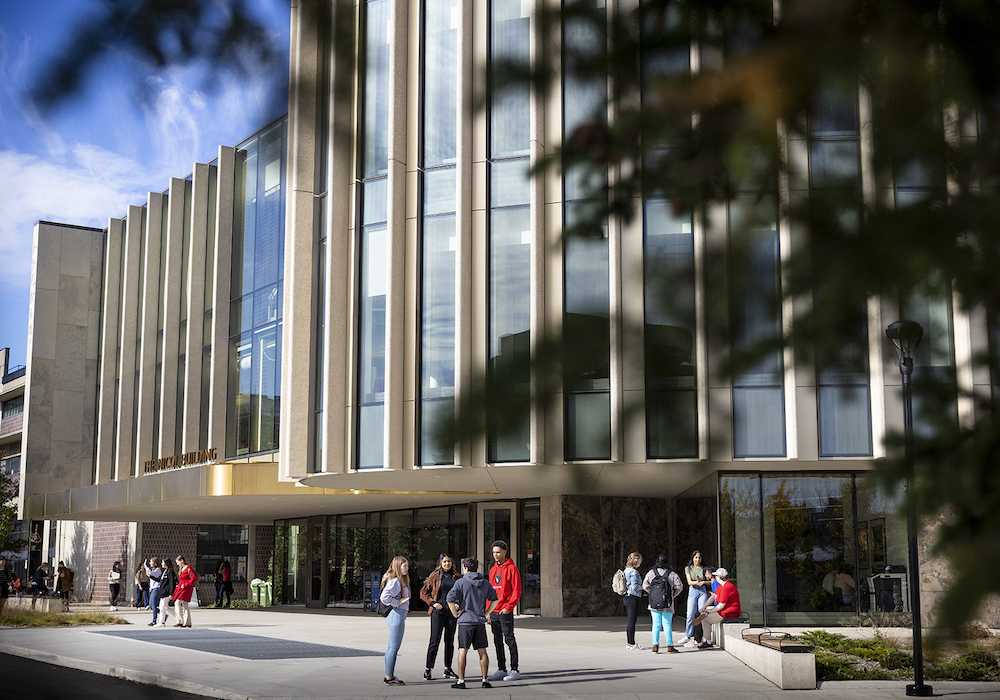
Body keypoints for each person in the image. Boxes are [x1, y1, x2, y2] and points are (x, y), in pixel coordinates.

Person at [447, 557, 499, 690]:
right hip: (479, 621)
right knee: (482, 651)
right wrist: (486, 613)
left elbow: (450, 598)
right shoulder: (485, 582)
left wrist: (455, 614)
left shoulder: (461, 582)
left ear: (466, 568)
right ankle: (485, 680)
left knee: (462, 651)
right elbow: (495, 599)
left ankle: (461, 681)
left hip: (465, 621)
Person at [419, 553, 462, 680]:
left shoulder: (457, 577)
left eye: (449, 561)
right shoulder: (434, 576)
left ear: (452, 563)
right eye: (444, 562)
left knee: (449, 641)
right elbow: (423, 592)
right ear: (440, 563)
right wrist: (432, 603)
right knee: (434, 640)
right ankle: (428, 669)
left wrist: (458, 604)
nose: (447, 564)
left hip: (451, 612)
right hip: (438, 611)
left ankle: (447, 669)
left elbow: (462, 593)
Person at [486, 540, 521, 682]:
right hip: (494, 612)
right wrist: (487, 611)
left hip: (505, 611)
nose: (495, 555)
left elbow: (516, 591)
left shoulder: (512, 569)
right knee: (497, 641)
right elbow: (489, 592)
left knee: (509, 639)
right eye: (494, 552)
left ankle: (514, 669)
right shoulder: (492, 570)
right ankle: (501, 669)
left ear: (505, 552)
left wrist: (509, 607)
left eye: (498, 552)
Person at [641, 554, 683, 653]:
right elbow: (680, 587)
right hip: (667, 604)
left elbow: (644, 585)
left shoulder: (651, 573)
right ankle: (670, 646)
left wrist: (652, 594)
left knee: (656, 624)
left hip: (654, 603)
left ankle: (655, 646)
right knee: (667, 624)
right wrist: (672, 596)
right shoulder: (672, 574)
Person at [380, 555, 411, 686]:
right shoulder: (396, 581)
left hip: (398, 615)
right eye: (404, 566)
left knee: (392, 647)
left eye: (407, 566)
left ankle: (389, 675)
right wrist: (397, 602)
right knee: (393, 647)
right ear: (398, 566)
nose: (407, 568)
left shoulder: (400, 580)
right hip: (396, 615)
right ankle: (389, 677)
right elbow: (384, 597)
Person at [677, 550, 711, 648]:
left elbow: (710, 581)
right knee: (690, 614)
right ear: (692, 558)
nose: (698, 559)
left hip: (702, 591)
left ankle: (700, 637)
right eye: (696, 557)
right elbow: (689, 582)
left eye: (699, 558)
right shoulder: (688, 568)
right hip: (693, 590)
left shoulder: (704, 569)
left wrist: (703, 582)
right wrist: (697, 582)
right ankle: (688, 635)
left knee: (701, 613)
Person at [692, 567, 742, 631]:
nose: (715, 577)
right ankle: (703, 614)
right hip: (724, 610)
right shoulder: (722, 585)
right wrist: (704, 607)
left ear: (719, 577)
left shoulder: (726, 587)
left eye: (716, 576)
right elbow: (713, 597)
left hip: (728, 612)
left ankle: (708, 640)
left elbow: (721, 606)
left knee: (705, 620)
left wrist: (710, 611)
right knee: (704, 611)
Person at [623, 551, 644, 650]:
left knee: (630, 621)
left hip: (627, 597)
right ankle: (631, 642)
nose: (640, 562)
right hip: (632, 597)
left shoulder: (626, 570)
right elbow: (635, 587)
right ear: (635, 561)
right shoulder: (634, 572)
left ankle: (630, 642)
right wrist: (643, 587)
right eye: (640, 560)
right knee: (632, 621)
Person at [172, 556, 197, 628]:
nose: (177, 564)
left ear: (182, 560)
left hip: (186, 588)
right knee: (185, 604)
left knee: (177, 602)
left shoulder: (188, 568)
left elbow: (193, 578)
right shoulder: (181, 569)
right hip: (181, 588)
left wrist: (186, 584)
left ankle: (180, 620)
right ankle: (187, 622)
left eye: (178, 562)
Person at [157, 558, 178, 627]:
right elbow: (159, 579)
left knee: (163, 607)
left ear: (166, 563)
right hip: (162, 592)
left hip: (167, 592)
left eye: (162, 562)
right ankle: (178, 617)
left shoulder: (170, 571)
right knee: (164, 607)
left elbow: (172, 583)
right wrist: (150, 576)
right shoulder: (164, 571)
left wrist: (171, 593)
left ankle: (162, 622)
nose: (161, 564)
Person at [145, 557, 163, 626]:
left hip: (156, 588)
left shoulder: (158, 570)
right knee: (151, 606)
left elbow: (151, 573)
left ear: (155, 563)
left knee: (154, 605)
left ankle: (154, 620)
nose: (150, 563)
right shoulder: (153, 569)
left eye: (151, 562)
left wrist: (145, 566)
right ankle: (162, 613)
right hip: (152, 588)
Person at [0, 555, 13, 619]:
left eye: (4, 560)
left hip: (3, 588)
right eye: (2, 560)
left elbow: (9, 579)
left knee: (1, 606)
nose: (3, 562)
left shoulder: (6, 570)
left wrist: (10, 585)